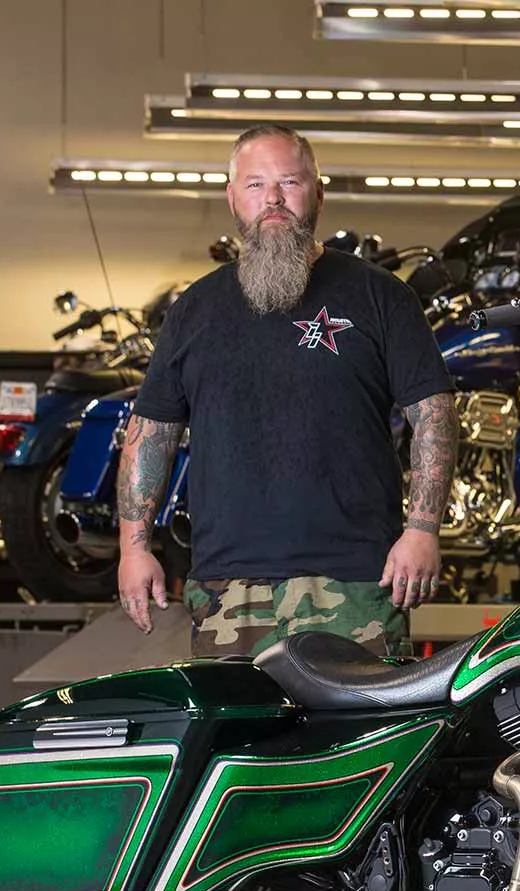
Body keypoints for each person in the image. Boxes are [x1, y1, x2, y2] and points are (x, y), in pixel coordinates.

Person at [116, 124, 457, 659]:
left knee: (358, 743)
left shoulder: (381, 296)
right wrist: (133, 547)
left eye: (289, 182)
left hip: (357, 581)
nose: (272, 198)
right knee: (239, 741)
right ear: (232, 197)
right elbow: (151, 431)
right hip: (226, 586)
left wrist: (422, 530)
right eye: (255, 184)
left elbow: (434, 414)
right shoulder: (194, 311)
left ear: (317, 192)